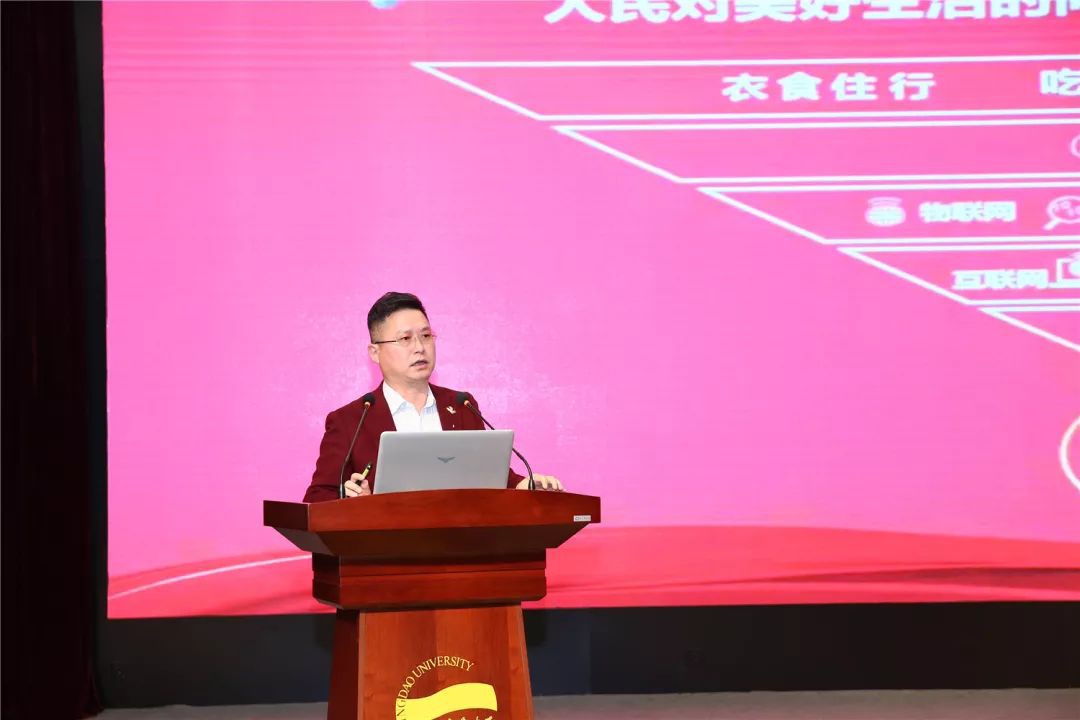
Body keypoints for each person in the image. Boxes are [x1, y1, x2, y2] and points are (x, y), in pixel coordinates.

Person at [303, 292, 563, 502]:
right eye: (405, 339)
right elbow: (317, 497)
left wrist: (523, 484)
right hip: (386, 547)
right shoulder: (350, 420)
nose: (419, 347)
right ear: (374, 352)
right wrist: (351, 499)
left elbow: (489, 476)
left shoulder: (462, 405)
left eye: (426, 336)